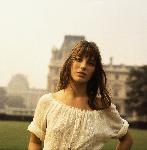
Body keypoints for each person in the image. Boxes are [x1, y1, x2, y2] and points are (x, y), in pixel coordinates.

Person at [27, 40, 133, 150]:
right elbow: (34, 142)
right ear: (69, 63)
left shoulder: (103, 107)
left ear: (95, 71)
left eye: (90, 63)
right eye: (78, 59)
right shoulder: (47, 102)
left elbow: (127, 140)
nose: (83, 66)